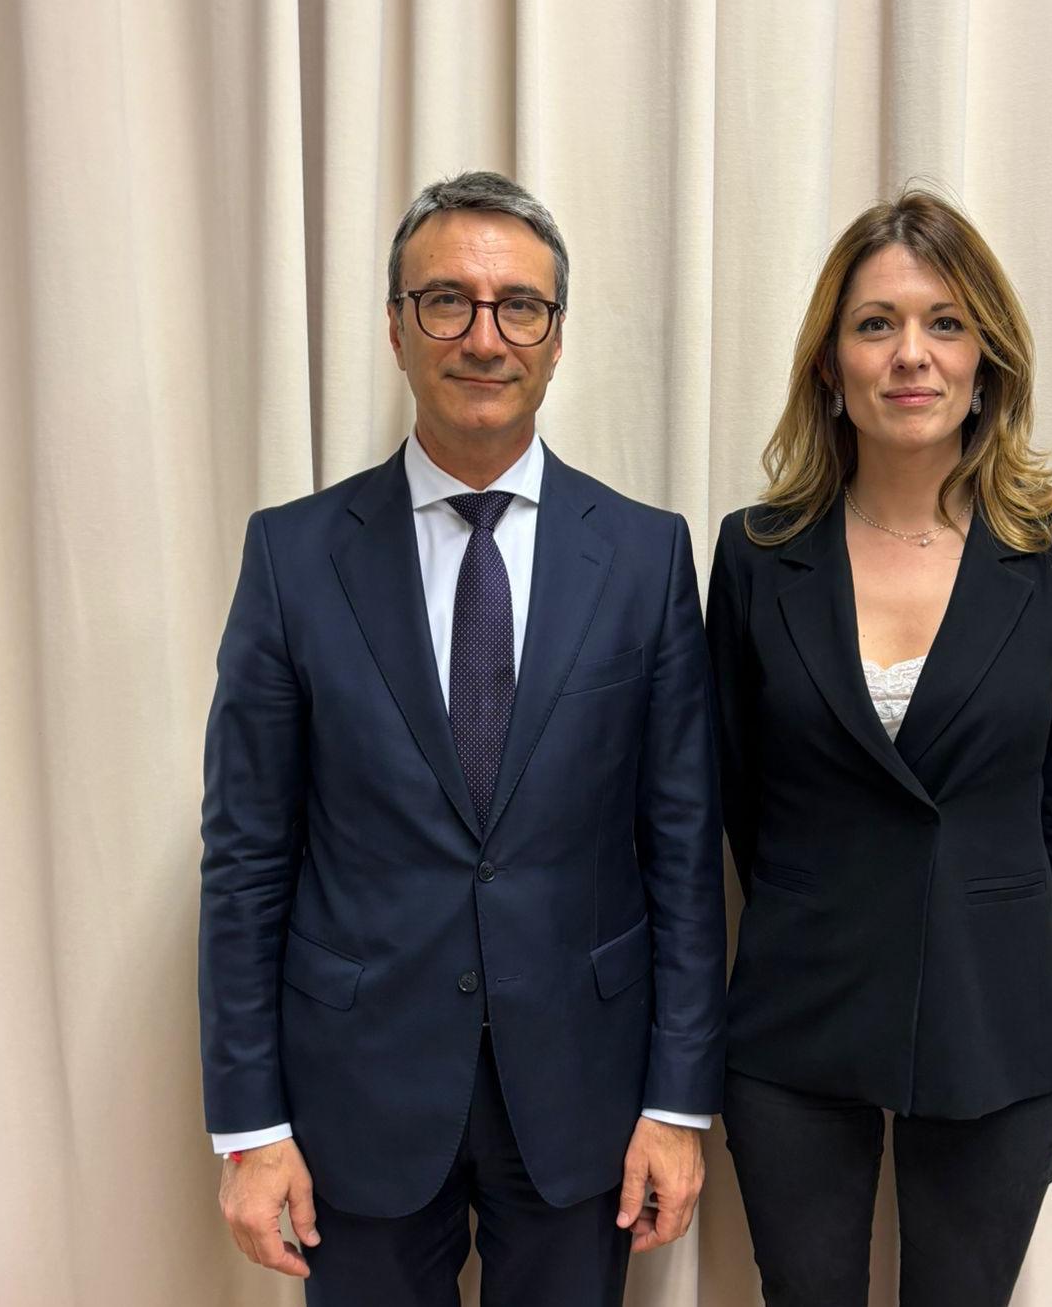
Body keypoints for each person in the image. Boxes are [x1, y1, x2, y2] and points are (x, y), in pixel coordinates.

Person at [198, 171, 726, 1307]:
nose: (485, 337)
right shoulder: (294, 557)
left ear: (556, 337)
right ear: (396, 327)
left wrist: (678, 1101)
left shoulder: (645, 558)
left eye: (518, 306)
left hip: (583, 1090)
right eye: (447, 301)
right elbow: (246, 859)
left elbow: (682, 853)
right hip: (357, 1091)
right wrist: (250, 1124)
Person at [705, 189, 1052, 1306]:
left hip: (994, 1005)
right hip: (797, 1004)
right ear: (830, 364)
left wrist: (972, 913)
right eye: (875, 324)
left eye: (944, 323)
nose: (910, 355)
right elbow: (739, 794)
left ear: (986, 359)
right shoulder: (756, 553)